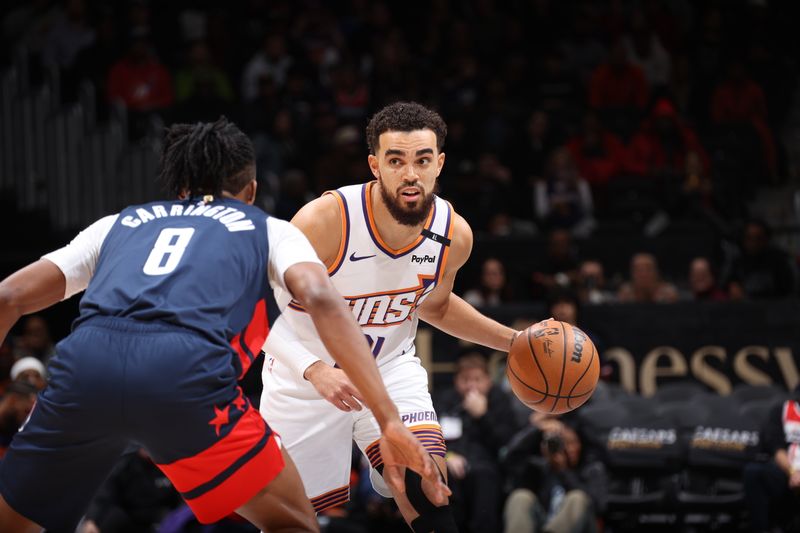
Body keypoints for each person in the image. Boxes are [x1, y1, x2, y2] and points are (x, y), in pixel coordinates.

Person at [0, 117, 446, 533]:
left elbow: (9, 297)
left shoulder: (119, 223)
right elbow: (321, 298)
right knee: (292, 521)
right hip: (183, 374)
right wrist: (388, 420)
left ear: (180, 191)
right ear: (251, 190)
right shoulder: (269, 229)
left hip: (84, 371)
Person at [260, 101, 519, 533]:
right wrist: (315, 369)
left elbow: (434, 306)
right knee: (288, 525)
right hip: (303, 379)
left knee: (427, 489)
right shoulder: (326, 221)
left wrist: (515, 342)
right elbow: (256, 306)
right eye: (396, 160)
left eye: (421, 160)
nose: (410, 174)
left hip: (389, 368)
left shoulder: (454, 234)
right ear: (374, 165)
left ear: (440, 164)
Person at [433, 351, 519, 532]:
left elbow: (506, 443)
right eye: (465, 379)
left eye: (477, 379)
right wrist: (447, 456)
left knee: (483, 479)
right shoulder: (444, 401)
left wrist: (482, 416)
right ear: (456, 381)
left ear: (488, 380)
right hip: (450, 462)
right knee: (441, 478)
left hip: (486, 467)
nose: (471, 386)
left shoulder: (499, 400)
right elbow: (431, 437)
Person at [502, 421, 607, 533]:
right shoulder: (540, 468)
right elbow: (510, 459)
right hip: (544, 522)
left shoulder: (592, 469)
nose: (568, 449)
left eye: (572, 442)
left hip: (583, 527)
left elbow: (599, 506)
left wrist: (563, 470)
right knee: (520, 497)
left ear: (581, 444)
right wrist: (537, 429)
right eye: (562, 443)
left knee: (577, 498)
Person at [743, 385, 800, 532]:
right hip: (788, 470)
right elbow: (776, 448)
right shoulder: (782, 410)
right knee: (754, 471)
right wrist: (793, 472)